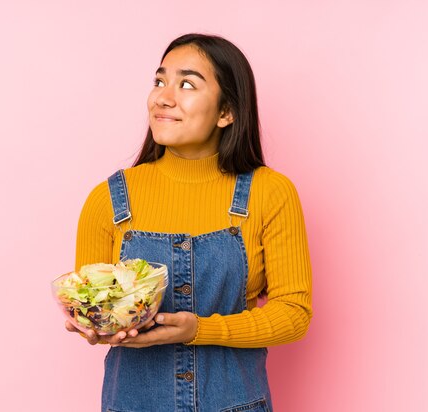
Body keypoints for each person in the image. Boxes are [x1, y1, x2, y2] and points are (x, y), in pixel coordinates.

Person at [65, 33, 313, 412]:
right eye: (159, 81)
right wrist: (92, 322)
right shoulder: (109, 199)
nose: (163, 97)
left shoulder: (270, 192)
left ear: (227, 111)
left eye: (186, 84)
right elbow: (93, 301)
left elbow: (294, 313)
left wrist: (201, 329)